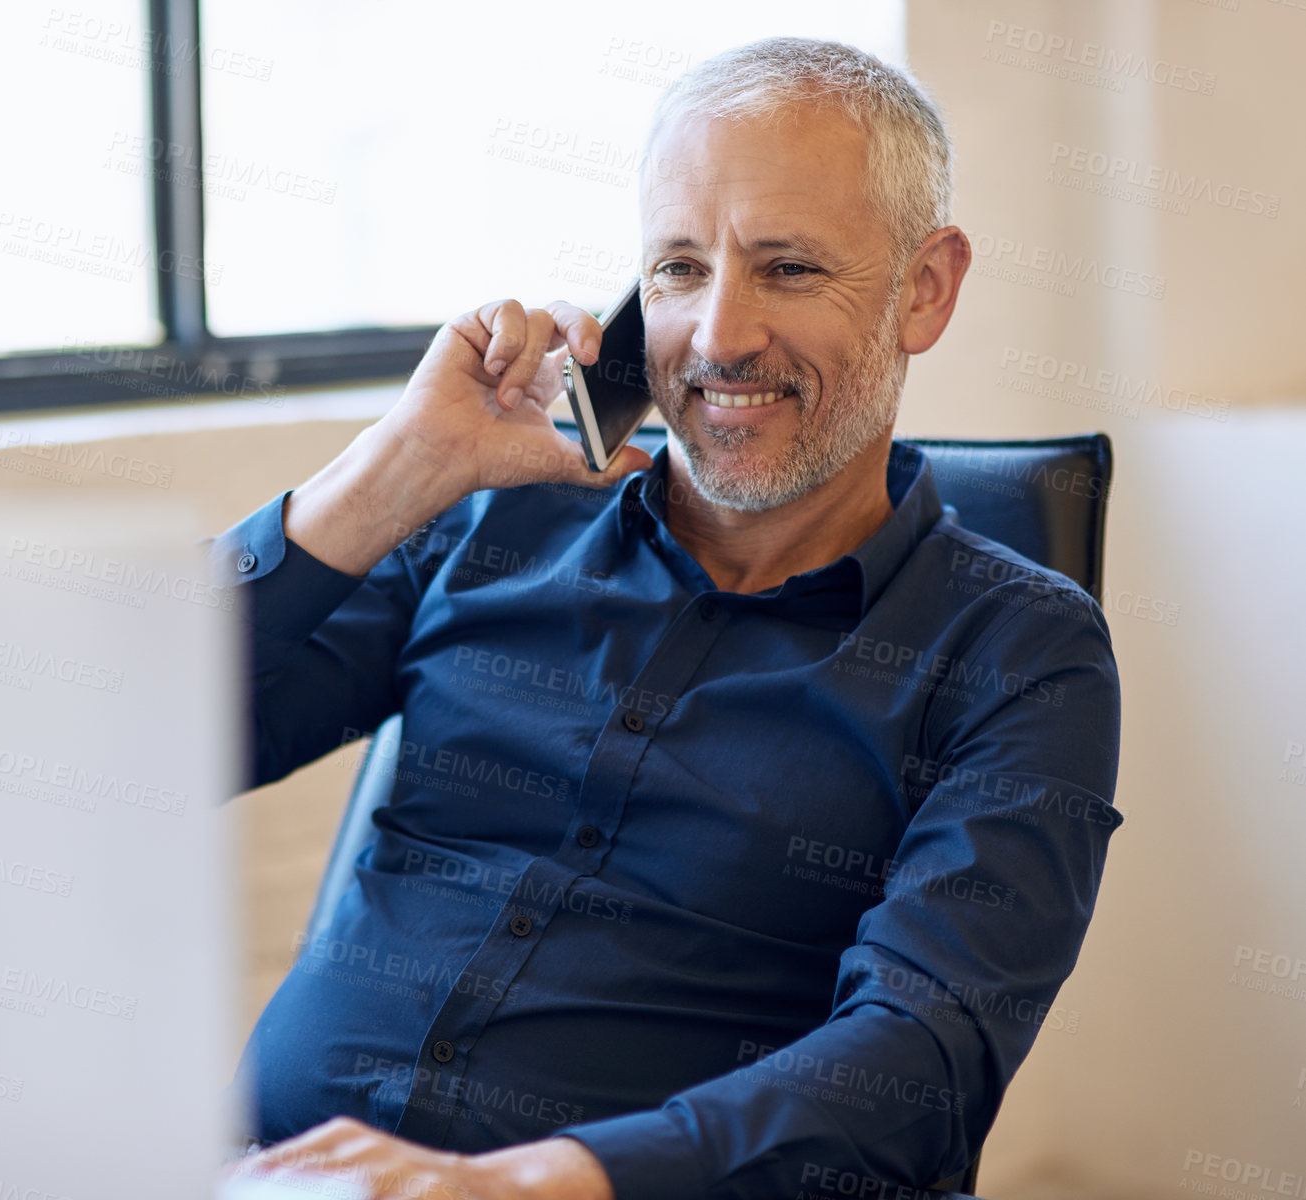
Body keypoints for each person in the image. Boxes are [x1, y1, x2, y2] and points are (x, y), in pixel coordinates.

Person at [209, 37, 1123, 1200]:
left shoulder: (1019, 652)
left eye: (788, 268)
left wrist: (530, 1182)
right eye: (680, 269)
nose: (721, 335)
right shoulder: (483, 525)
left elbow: (925, 1058)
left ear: (925, 289)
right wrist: (393, 470)